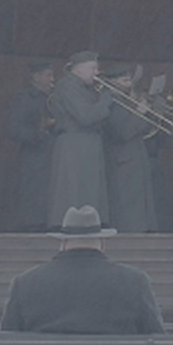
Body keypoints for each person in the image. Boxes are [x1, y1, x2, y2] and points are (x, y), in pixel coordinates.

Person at [1, 204, 166, 338]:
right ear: (102, 243)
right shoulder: (135, 282)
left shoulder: (25, 283)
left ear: (63, 243)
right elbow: (157, 338)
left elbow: (6, 341)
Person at [45, 52, 111, 233]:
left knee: (85, 189)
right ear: (79, 68)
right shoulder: (67, 86)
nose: (97, 72)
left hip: (85, 143)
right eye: (93, 68)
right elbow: (86, 117)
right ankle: (71, 224)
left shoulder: (83, 87)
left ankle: (87, 223)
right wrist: (105, 103)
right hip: (75, 143)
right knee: (73, 189)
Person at [101, 62, 164, 234]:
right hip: (122, 160)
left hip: (135, 158)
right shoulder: (112, 103)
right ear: (113, 82)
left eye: (129, 80)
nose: (130, 84)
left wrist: (152, 110)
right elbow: (123, 132)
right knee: (127, 205)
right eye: (125, 80)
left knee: (138, 202)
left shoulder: (126, 100)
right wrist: (141, 112)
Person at [3, 60, 58, 231]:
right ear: (36, 76)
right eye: (48, 75)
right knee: (34, 197)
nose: (52, 79)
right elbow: (13, 129)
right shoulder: (24, 98)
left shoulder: (54, 97)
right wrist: (37, 134)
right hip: (34, 156)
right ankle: (33, 229)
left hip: (53, 153)